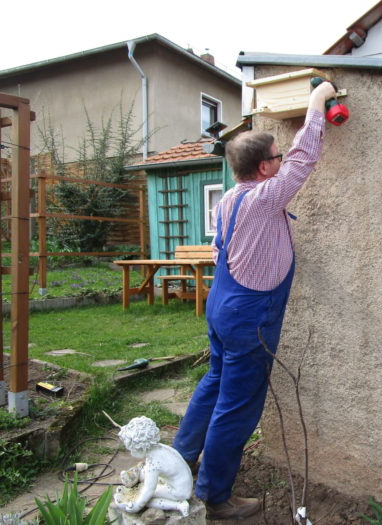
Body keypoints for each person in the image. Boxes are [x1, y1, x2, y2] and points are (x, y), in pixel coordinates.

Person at [173, 80, 337, 520]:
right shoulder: (265, 200)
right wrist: (317, 101)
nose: (283, 161)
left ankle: (181, 459)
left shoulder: (229, 200)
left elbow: (216, 252)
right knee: (238, 404)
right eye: (276, 158)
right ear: (265, 169)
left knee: (214, 382)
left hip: (222, 305)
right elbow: (304, 159)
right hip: (250, 315)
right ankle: (215, 495)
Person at [113, 416, 193, 517]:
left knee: (147, 499)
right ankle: (134, 476)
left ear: (140, 447)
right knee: (145, 475)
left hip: (180, 491)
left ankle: (178, 505)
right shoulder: (160, 447)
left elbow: (148, 490)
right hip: (180, 482)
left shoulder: (153, 463)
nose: (131, 453)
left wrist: (136, 506)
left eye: (132, 450)